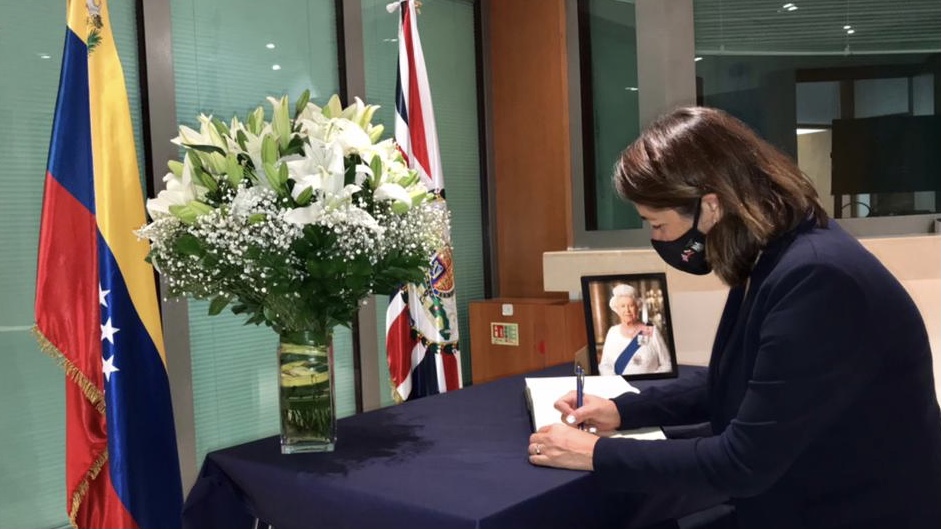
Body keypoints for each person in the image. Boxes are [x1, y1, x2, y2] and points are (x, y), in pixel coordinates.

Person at [527, 106, 941, 528]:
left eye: (657, 223)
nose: (656, 239)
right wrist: (623, 411)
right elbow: (735, 381)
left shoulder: (818, 279)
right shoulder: (775, 254)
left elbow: (742, 463)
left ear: (710, 206)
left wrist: (595, 453)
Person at [598, 284, 672, 376]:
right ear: (617, 310)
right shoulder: (612, 333)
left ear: (638, 307)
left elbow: (667, 364)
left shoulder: (651, 330)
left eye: (631, 305)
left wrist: (651, 379)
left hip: (649, 386)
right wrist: (616, 382)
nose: (627, 310)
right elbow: (604, 366)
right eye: (623, 306)